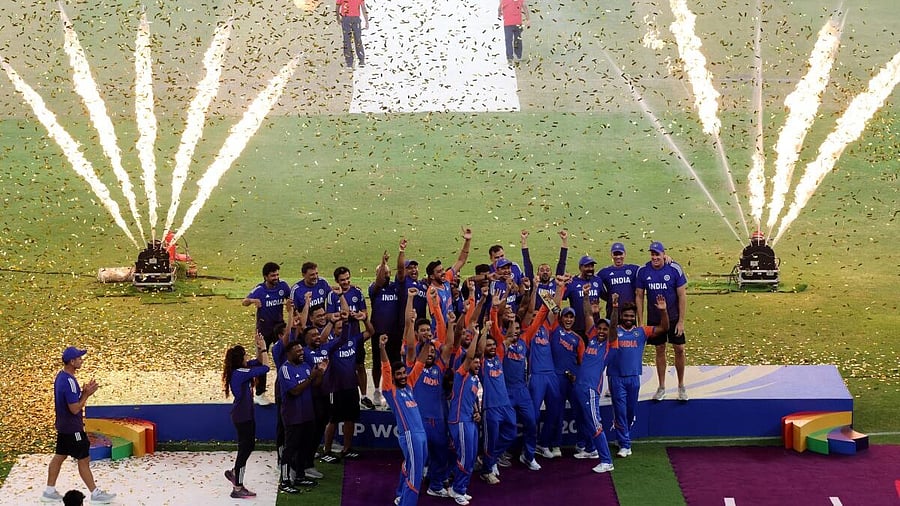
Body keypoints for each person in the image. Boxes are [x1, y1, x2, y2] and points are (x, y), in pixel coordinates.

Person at [42, 347, 116, 504]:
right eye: (79, 358)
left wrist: (83, 393)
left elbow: (73, 402)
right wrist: (87, 395)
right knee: (84, 458)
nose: (82, 360)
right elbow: (75, 408)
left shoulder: (61, 377)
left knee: (60, 456)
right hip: (73, 429)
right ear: (72, 361)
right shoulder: (69, 382)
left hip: (63, 427)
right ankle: (95, 494)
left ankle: (49, 491)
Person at [607, 293, 669, 457]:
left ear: (635, 317)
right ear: (621, 316)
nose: (628, 318)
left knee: (629, 411)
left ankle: (622, 436)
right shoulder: (615, 331)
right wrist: (614, 306)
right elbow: (610, 329)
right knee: (620, 411)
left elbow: (664, 328)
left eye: (631, 316)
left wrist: (663, 311)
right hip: (616, 377)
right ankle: (625, 445)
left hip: (634, 377)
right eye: (626, 315)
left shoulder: (641, 331)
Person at [635, 241, 688, 401]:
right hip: (655, 319)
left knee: (679, 348)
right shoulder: (643, 271)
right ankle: (662, 386)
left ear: (664, 254)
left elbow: (682, 295)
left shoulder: (674, 269)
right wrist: (640, 322)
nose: (655, 257)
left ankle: (681, 386)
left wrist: (681, 321)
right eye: (652, 254)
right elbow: (639, 296)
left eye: (657, 254)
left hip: (672, 318)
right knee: (660, 349)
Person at [380, 334, 429, 506]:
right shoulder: (390, 390)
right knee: (415, 475)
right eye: (398, 374)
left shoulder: (409, 385)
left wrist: (428, 343)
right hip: (410, 435)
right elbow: (386, 367)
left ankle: (401, 494)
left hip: (420, 433)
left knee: (414, 465)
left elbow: (420, 364)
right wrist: (381, 348)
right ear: (393, 377)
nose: (402, 376)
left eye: (403, 373)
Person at [572, 284, 614, 473]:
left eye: (605, 329)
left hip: (590, 389)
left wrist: (615, 307)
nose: (602, 331)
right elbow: (588, 315)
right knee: (586, 420)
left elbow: (611, 329)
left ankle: (607, 461)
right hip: (579, 386)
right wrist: (587, 296)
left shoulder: (609, 346)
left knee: (595, 423)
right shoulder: (592, 338)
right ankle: (590, 450)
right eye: (600, 328)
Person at [223, 333, 269, 499]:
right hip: (243, 416)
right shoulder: (241, 373)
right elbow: (265, 367)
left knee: (248, 446)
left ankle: (235, 472)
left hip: (245, 415)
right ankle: (238, 487)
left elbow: (258, 362)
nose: (247, 358)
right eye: (245, 356)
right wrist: (263, 347)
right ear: (240, 359)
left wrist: (259, 347)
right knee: (244, 449)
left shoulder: (240, 370)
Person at [279, 339, 328, 494]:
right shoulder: (285, 369)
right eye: (298, 351)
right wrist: (311, 377)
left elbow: (315, 385)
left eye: (301, 350)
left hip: (307, 414)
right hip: (293, 416)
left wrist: (320, 373)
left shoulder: (306, 366)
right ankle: (285, 480)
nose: (301, 353)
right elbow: (294, 391)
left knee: (304, 446)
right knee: (290, 448)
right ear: (289, 353)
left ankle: (300, 475)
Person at [242, 261, 292, 405]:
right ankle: (259, 393)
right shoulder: (259, 289)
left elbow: (290, 298)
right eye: (273, 275)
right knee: (261, 360)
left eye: (277, 274)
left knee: (284, 357)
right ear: (265, 277)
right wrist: (252, 301)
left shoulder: (283, 286)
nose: (276, 277)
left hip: (279, 329)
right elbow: (244, 301)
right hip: (263, 329)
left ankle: (286, 387)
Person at [447, 326, 486, 505]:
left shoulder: (475, 380)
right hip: (459, 421)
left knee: (470, 456)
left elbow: (474, 402)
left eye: (479, 363)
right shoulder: (460, 376)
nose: (477, 364)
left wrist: (477, 414)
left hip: (470, 421)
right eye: (474, 362)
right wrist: (477, 335)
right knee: (464, 456)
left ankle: (460, 487)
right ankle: (458, 489)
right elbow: (470, 355)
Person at [369, 250, 403, 408]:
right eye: (383, 272)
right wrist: (383, 263)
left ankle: (394, 392)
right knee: (377, 364)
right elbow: (378, 282)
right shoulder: (374, 289)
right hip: (378, 332)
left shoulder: (396, 288)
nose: (386, 275)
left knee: (395, 363)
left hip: (394, 333)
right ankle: (377, 390)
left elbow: (401, 274)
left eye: (388, 272)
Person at [520, 229, 568, 311]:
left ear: (551, 273)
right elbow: (527, 263)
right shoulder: (534, 284)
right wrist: (524, 241)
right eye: (542, 270)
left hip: (551, 318)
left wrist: (564, 240)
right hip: (535, 319)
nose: (545, 272)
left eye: (547, 270)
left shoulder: (556, 283)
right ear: (537, 273)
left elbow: (562, 263)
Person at [598, 243, 640, 319]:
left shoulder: (633, 269)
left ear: (624, 254)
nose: (618, 257)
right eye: (615, 254)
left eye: (620, 254)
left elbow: (648, 270)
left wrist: (665, 258)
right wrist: (608, 298)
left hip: (629, 315)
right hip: (612, 313)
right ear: (611, 255)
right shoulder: (604, 272)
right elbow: (593, 281)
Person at [335, 0, 368, 68]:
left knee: (354, 40)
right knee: (351, 40)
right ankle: (351, 61)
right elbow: (338, 5)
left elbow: (363, 8)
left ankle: (357, 60)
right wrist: (338, 17)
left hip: (352, 19)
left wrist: (366, 21)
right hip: (347, 19)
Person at [498, 0, 530, 65]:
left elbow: (499, 8)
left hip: (508, 24)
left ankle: (510, 58)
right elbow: (525, 7)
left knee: (508, 40)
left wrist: (499, 13)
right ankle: (518, 56)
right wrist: (528, 19)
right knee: (517, 39)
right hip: (517, 22)